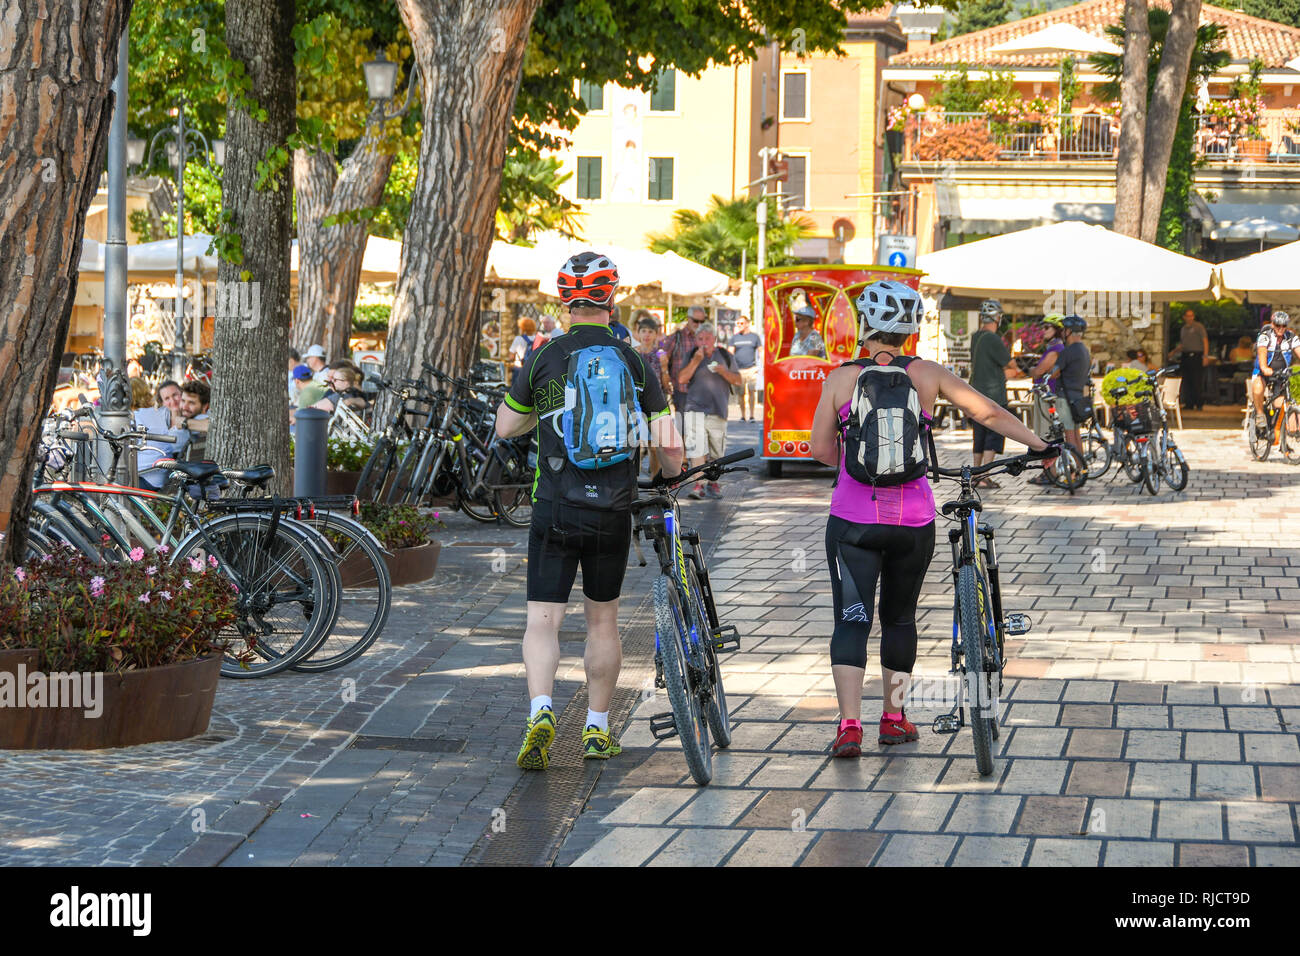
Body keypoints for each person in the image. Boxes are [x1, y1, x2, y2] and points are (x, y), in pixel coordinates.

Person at [809, 280, 1051, 757]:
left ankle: (850, 726)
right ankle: (895, 719)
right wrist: (1039, 445)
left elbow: (820, 450)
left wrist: (855, 462)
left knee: (851, 620)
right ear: (909, 328)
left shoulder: (841, 378)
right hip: (913, 520)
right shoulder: (929, 373)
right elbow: (990, 413)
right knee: (900, 618)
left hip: (853, 520)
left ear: (867, 326)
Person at [495, 252, 684, 770]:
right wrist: (669, 473)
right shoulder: (633, 360)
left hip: (553, 507)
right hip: (613, 511)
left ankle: (541, 711)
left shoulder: (542, 357)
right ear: (611, 298)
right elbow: (671, 445)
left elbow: (504, 429)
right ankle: (597, 730)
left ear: (563, 300)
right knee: (603, 621)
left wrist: (544, 416)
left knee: (543, 620)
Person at [678, 321, 742, 500]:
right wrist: (696, 361)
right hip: (694, 409)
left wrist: (722, 371)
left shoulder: (724, 355)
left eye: (707, 338)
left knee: (717, 452)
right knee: (696, 448)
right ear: (696, 340)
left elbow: (738, 381)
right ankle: (699, 485)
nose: (704, 341)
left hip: (718, 410)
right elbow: (682, 378)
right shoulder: (691, 355)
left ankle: (714, 482)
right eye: (700, 338)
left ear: (714, 338)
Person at [967, 299, 1019, 487]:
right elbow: (1010, 364)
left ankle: (975, 473)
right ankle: (984, 476)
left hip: (977, 393)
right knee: (994, 434)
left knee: (979, 434)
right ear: (997, 317)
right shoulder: (993, 338)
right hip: (994, 394)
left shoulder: (975, 336)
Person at [1025, 313, 1069, 487]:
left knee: (1046, 434)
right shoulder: (1055, 347)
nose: (1043, 331)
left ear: (1057, 329)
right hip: (1047, 395)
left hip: (1047, 396)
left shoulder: (1055, 350)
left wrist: (1031, 369)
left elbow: (1039, 371)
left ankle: (1049, 474)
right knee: (1049, 433)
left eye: (1046, 327)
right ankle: (1051, 472)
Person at [134, 379, 190, 488]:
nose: (172, 401)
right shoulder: (164, 416)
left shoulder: (188, 420)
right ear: (163, 403)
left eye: (175, 395)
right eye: (167, 398)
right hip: (152, 473)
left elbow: (169, 446)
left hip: (154, 477)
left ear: (182, 394)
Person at [1251, 310, 1298, 437]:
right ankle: (1260, 414)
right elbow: (1262, 354)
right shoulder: (1265, 336)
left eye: (1284, 326)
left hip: (1281, 374)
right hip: (1264, 372)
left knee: (1281, 403)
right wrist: (1265, 368)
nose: (1281, 329)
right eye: (1278, 325)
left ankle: (1281, 432)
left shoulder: (1291, 337)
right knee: (1258, 387)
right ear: (1272, 324)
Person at [659, 306, 706, 436]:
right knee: (683, 433)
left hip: (703, 392)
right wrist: (665, 375)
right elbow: (661, 353)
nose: (699, 325)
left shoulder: (706, 338)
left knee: (700, 436)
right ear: (688, 319)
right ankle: (683, 456)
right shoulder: (676, 337)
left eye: (702, 322)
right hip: (682, 392)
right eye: (696, 321)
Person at [1055, 315, 1092, 456]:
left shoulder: (1067, 351)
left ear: (1069, 331)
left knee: (1069, 434)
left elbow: (1054, 372)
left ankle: (1073, 472)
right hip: (1077, 397)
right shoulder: (1084, 350)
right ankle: (1080, 466)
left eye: (1064, 330)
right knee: (1076, 434)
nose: (1063, 333)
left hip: (1065, 397)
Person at [1171, 308, 1209, 410]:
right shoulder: (1183, 329)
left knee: (1197, 380)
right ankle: (1189, 403)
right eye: (1188, 316)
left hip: (1196, 355)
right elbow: (1183, 344)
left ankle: (1199, 403)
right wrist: (1174, 352)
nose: (1190, 318)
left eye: (1191, 315)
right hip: (1185, 355)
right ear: (1184, 317)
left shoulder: (1199, 327)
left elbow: (1205, 341)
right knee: (1187, 380)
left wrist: (1205, 356)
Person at [730, 314, 763, 422]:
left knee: (751, 391)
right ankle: (743, 416)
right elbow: (730, 353)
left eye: (741, 323)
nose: (739, 325)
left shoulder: (754, 337)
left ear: (747, 324)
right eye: (738, 323)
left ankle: (752, 415)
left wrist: (764, 366)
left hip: (752, 369)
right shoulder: (734, 338)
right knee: (741, 394)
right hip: (739, 370)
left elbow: (761, 351)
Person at [509, 317, 538, 385]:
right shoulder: (537, 339)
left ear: (522, 328)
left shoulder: (518, 339)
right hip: (532, 370)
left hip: (519, 368)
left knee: (516, 392)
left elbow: (511, 356)